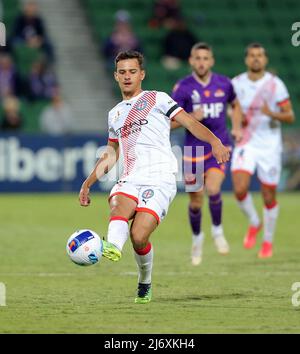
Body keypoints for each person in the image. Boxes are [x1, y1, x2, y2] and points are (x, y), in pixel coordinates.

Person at [78, 50, 230, 303]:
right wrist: (88, 182)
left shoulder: (157, 99)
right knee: (118, 205)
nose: (128, 77)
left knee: (139, 237)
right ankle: (113, 246)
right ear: (116, 76)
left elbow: (190, 123)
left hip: (161, 178)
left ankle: (144, 281)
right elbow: (111, 153)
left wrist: (215, 141)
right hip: (130, 178)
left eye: (133, 72)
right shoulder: (114, 113)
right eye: (123, 72)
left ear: (142, 74)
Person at [171, 42, 243, 265]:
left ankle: (218, 231)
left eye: (205, 58)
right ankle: (197, 238)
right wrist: (192, 117)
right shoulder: (182, 87)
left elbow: (236, 105)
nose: (201, 62)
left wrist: (237, 126)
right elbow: (170, 123)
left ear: (211, 61)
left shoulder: (225, 83)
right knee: (195, 201)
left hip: (218, 147)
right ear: (191, 61)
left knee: (213, 189)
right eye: (197, 58)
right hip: (193, 152)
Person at [231, 43, 295, 258]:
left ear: (265, 59)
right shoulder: (237, 83)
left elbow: (290, 116)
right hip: (246, 143)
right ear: (246, 59)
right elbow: (233, 110)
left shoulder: (276, 85)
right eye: (252, 56)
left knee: (268, 196)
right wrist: (237, 125)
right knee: (239, 188)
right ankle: (254, 222)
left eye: (259, 55)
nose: (256, 59)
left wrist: (271, 113)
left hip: (269, 146)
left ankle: (267, 241)